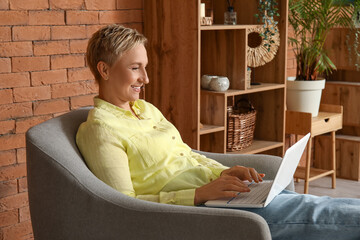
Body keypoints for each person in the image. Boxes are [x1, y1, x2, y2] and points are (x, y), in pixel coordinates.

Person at [76, 24, 360, 240]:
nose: (145, 79)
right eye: (135, 68)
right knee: (319, 215)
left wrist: (223, 171)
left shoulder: (146, 110)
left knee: (315, 203)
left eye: (145, 67)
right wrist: (199, 194)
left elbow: (187, 156)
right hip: (195, 213)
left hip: (220, 196)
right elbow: (123, 206)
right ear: (104, 69)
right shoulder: (101, 129)